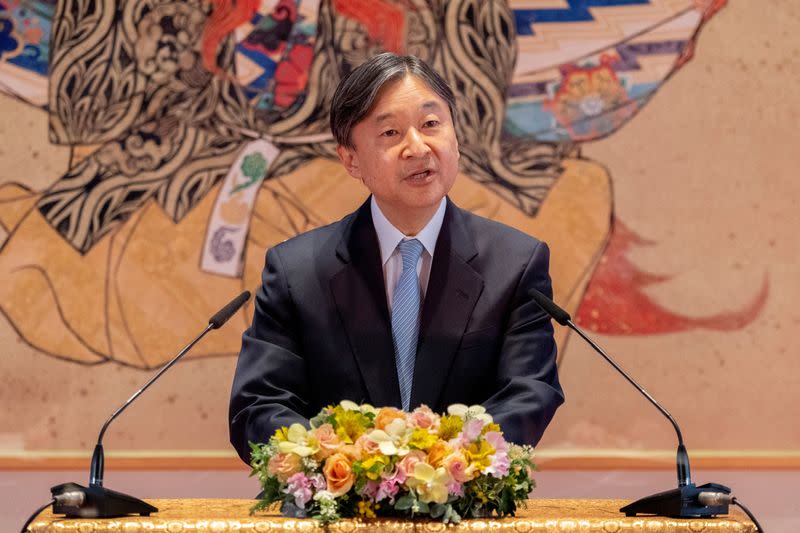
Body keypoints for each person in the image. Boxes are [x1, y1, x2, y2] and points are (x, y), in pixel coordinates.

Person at [229, 53, 564, 464]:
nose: (417, 147)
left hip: (465, 516)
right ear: (351, 159)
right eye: (390, 132)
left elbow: (529, 395)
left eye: (431, 124)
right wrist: (346, 465)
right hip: (339, 518)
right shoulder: (297, 272)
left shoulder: (515, 264)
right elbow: (258, 406)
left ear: (455, 137)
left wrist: (443, 466)